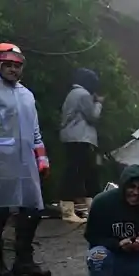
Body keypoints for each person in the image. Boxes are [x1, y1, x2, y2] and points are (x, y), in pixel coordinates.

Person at [0, 43, 52, 276]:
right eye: (7, 65)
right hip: (1, 162)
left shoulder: (27, 95)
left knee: (31, 210)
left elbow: (35, 131)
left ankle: (24, 259)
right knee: (0, 211)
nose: (12, 70)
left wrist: (42, 158)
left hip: (26, 162)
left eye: (16, 66)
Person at [59, 67, 103, 224]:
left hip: (73, 137)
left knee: (86, 172)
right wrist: (98, 103)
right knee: (75, 173)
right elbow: (93, 116)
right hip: (79, 137)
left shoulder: (73, 93)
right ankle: (68, 211)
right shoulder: (83, 94)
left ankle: (90, 208)